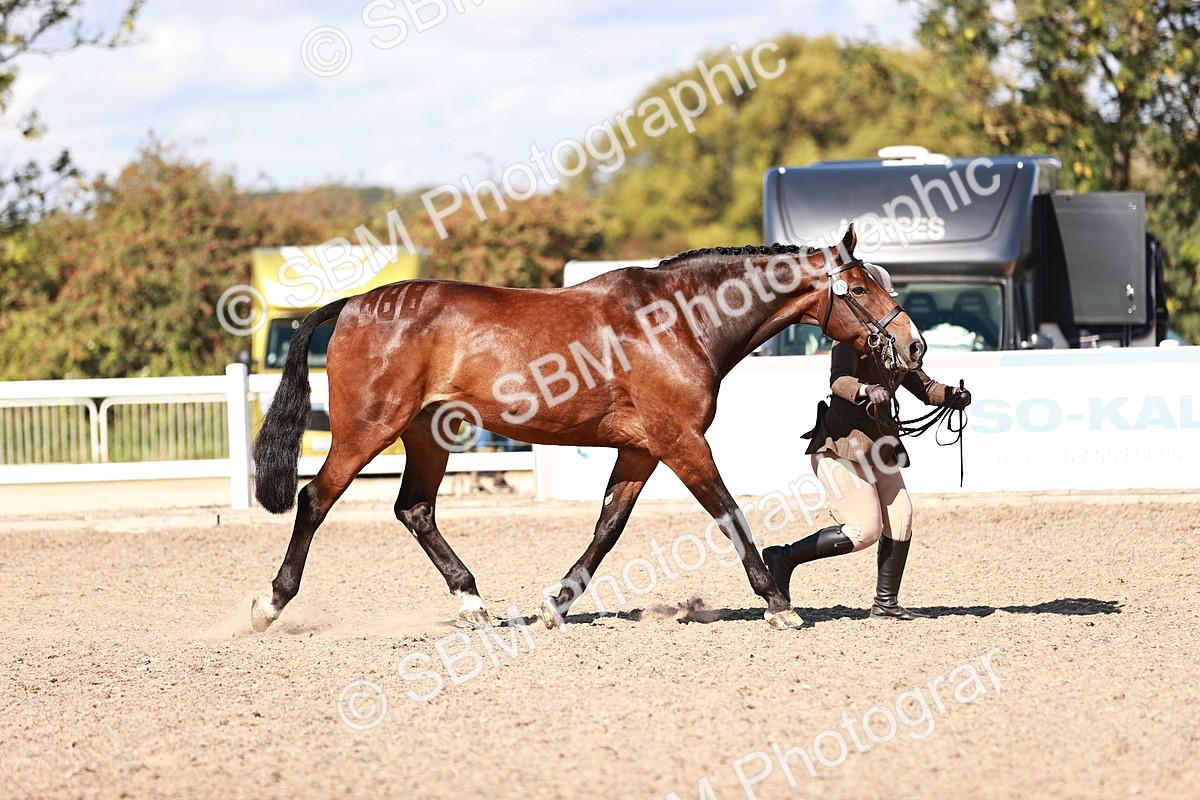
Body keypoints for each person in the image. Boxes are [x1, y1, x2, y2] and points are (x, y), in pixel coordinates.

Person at [762, 265, 972, 620]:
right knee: (864, 531)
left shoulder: (896, 347)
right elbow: (838, 382)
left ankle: (885, 603)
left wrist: (952, 395)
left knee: (902, 518)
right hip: (842, 447)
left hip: (880, 445)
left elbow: (925, 388)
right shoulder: (846, 341)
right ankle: (782, 558)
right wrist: (864, 389)